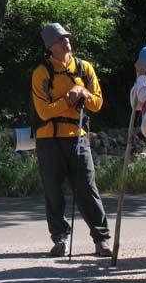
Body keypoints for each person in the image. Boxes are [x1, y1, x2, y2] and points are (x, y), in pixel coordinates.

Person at [31, 23, 112, 257]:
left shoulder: (84, 69)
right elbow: (44, 112)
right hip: (48, 140)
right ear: (50, 47)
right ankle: (60, 239)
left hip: (77, 137)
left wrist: (83, 93)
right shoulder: (41, 74)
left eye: (67, 38)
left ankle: (102, 240)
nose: (66, 42)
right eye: (60, 40)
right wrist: (69, 100)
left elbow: (97, 103)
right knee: (53, 192)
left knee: (87, 188)